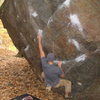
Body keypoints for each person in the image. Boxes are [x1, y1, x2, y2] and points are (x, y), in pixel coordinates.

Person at [37, 32, 72, 99]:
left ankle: (48, 86)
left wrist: (39, 39)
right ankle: (67, 95)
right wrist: (59, 66)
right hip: (56, 83)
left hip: (48, 79)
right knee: (68, 82)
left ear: (47, 58)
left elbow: (41, 51)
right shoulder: (56, 69)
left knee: (43, 73)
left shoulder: (44, 63)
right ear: (53, 60)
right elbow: (62, 75)